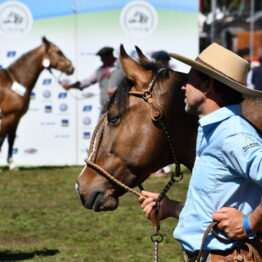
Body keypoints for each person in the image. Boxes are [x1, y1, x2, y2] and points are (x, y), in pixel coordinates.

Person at [139, 43, 262, 261]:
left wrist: (249, 222)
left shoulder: (232, 134)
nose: (184, 87)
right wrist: (170, 208)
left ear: (207, 85)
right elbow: (213, 204)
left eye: (190, 80)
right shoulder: (213, 130)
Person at [62, 46, 124, 114]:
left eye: (103, 57)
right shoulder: (100, 70)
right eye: (101, 58)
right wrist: (72, 86)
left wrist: (117, 90)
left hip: (122, 107)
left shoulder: (123, 67)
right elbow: (88, 81)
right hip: (106, 108)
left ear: (110, 56)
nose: (101, 60)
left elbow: (132, 83)